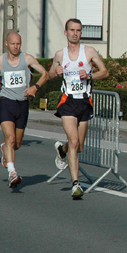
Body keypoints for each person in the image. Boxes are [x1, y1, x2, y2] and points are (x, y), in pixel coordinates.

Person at [48, 18, 109, 199]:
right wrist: (55, 72)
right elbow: (50, 74)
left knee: (78, 146)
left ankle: (62, 150)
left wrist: (90, 75)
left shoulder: (89, 52)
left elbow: (105, 72)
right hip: (67, 103)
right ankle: (76, 184)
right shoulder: (60, 55)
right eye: (72, 30)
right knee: (74, 142)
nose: (75, 33)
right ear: (66, 33)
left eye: (78, 30)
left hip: (84, 102)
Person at [0, 32, 48, 188]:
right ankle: (12, 173)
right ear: (6, 43)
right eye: (13, 44)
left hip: (23, 104)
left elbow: (44, 73)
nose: (16, 47)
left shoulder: (28, 59)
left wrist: (35, 87)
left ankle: (5, 148)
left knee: (16, 144)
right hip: (6, 103)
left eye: (18, 44)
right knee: (10, 138)